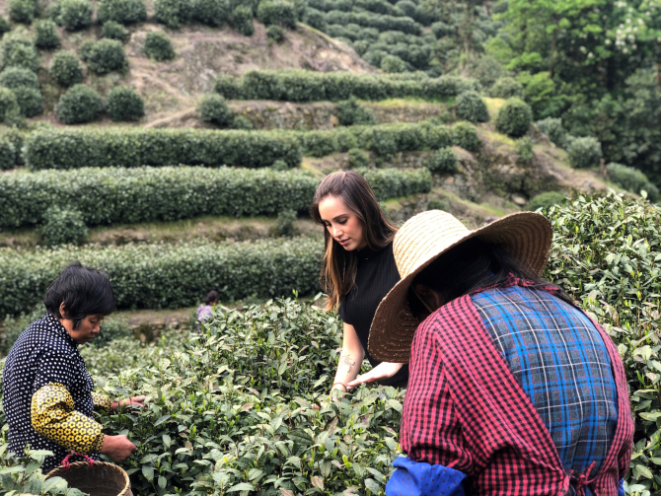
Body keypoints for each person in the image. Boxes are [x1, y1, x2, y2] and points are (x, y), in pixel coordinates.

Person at [368, 210, 634, 495]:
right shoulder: (583, 319)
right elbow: (619, 459)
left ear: (424, 293)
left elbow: (429, 473)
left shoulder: (442, 329)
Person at [2, 262, 146, 472]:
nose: (97, 329)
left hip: (28, 466)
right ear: (65, 309)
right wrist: (105, 443)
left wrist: (113, 405)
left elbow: (66, 394)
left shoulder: (37, 333)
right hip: (56, 472)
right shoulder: (55, 352)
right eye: (93, 320)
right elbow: (49, 416)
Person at [310, 170, 408, 399]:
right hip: (390, 400)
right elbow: (352, 350)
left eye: (342, 221)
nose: (336, 232)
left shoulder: (403, 250)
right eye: (328, 224)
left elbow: (436, 319)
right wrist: (337, 391)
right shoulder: (349, 268)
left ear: (365, 212)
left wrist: (397, 358)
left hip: (432, 388)